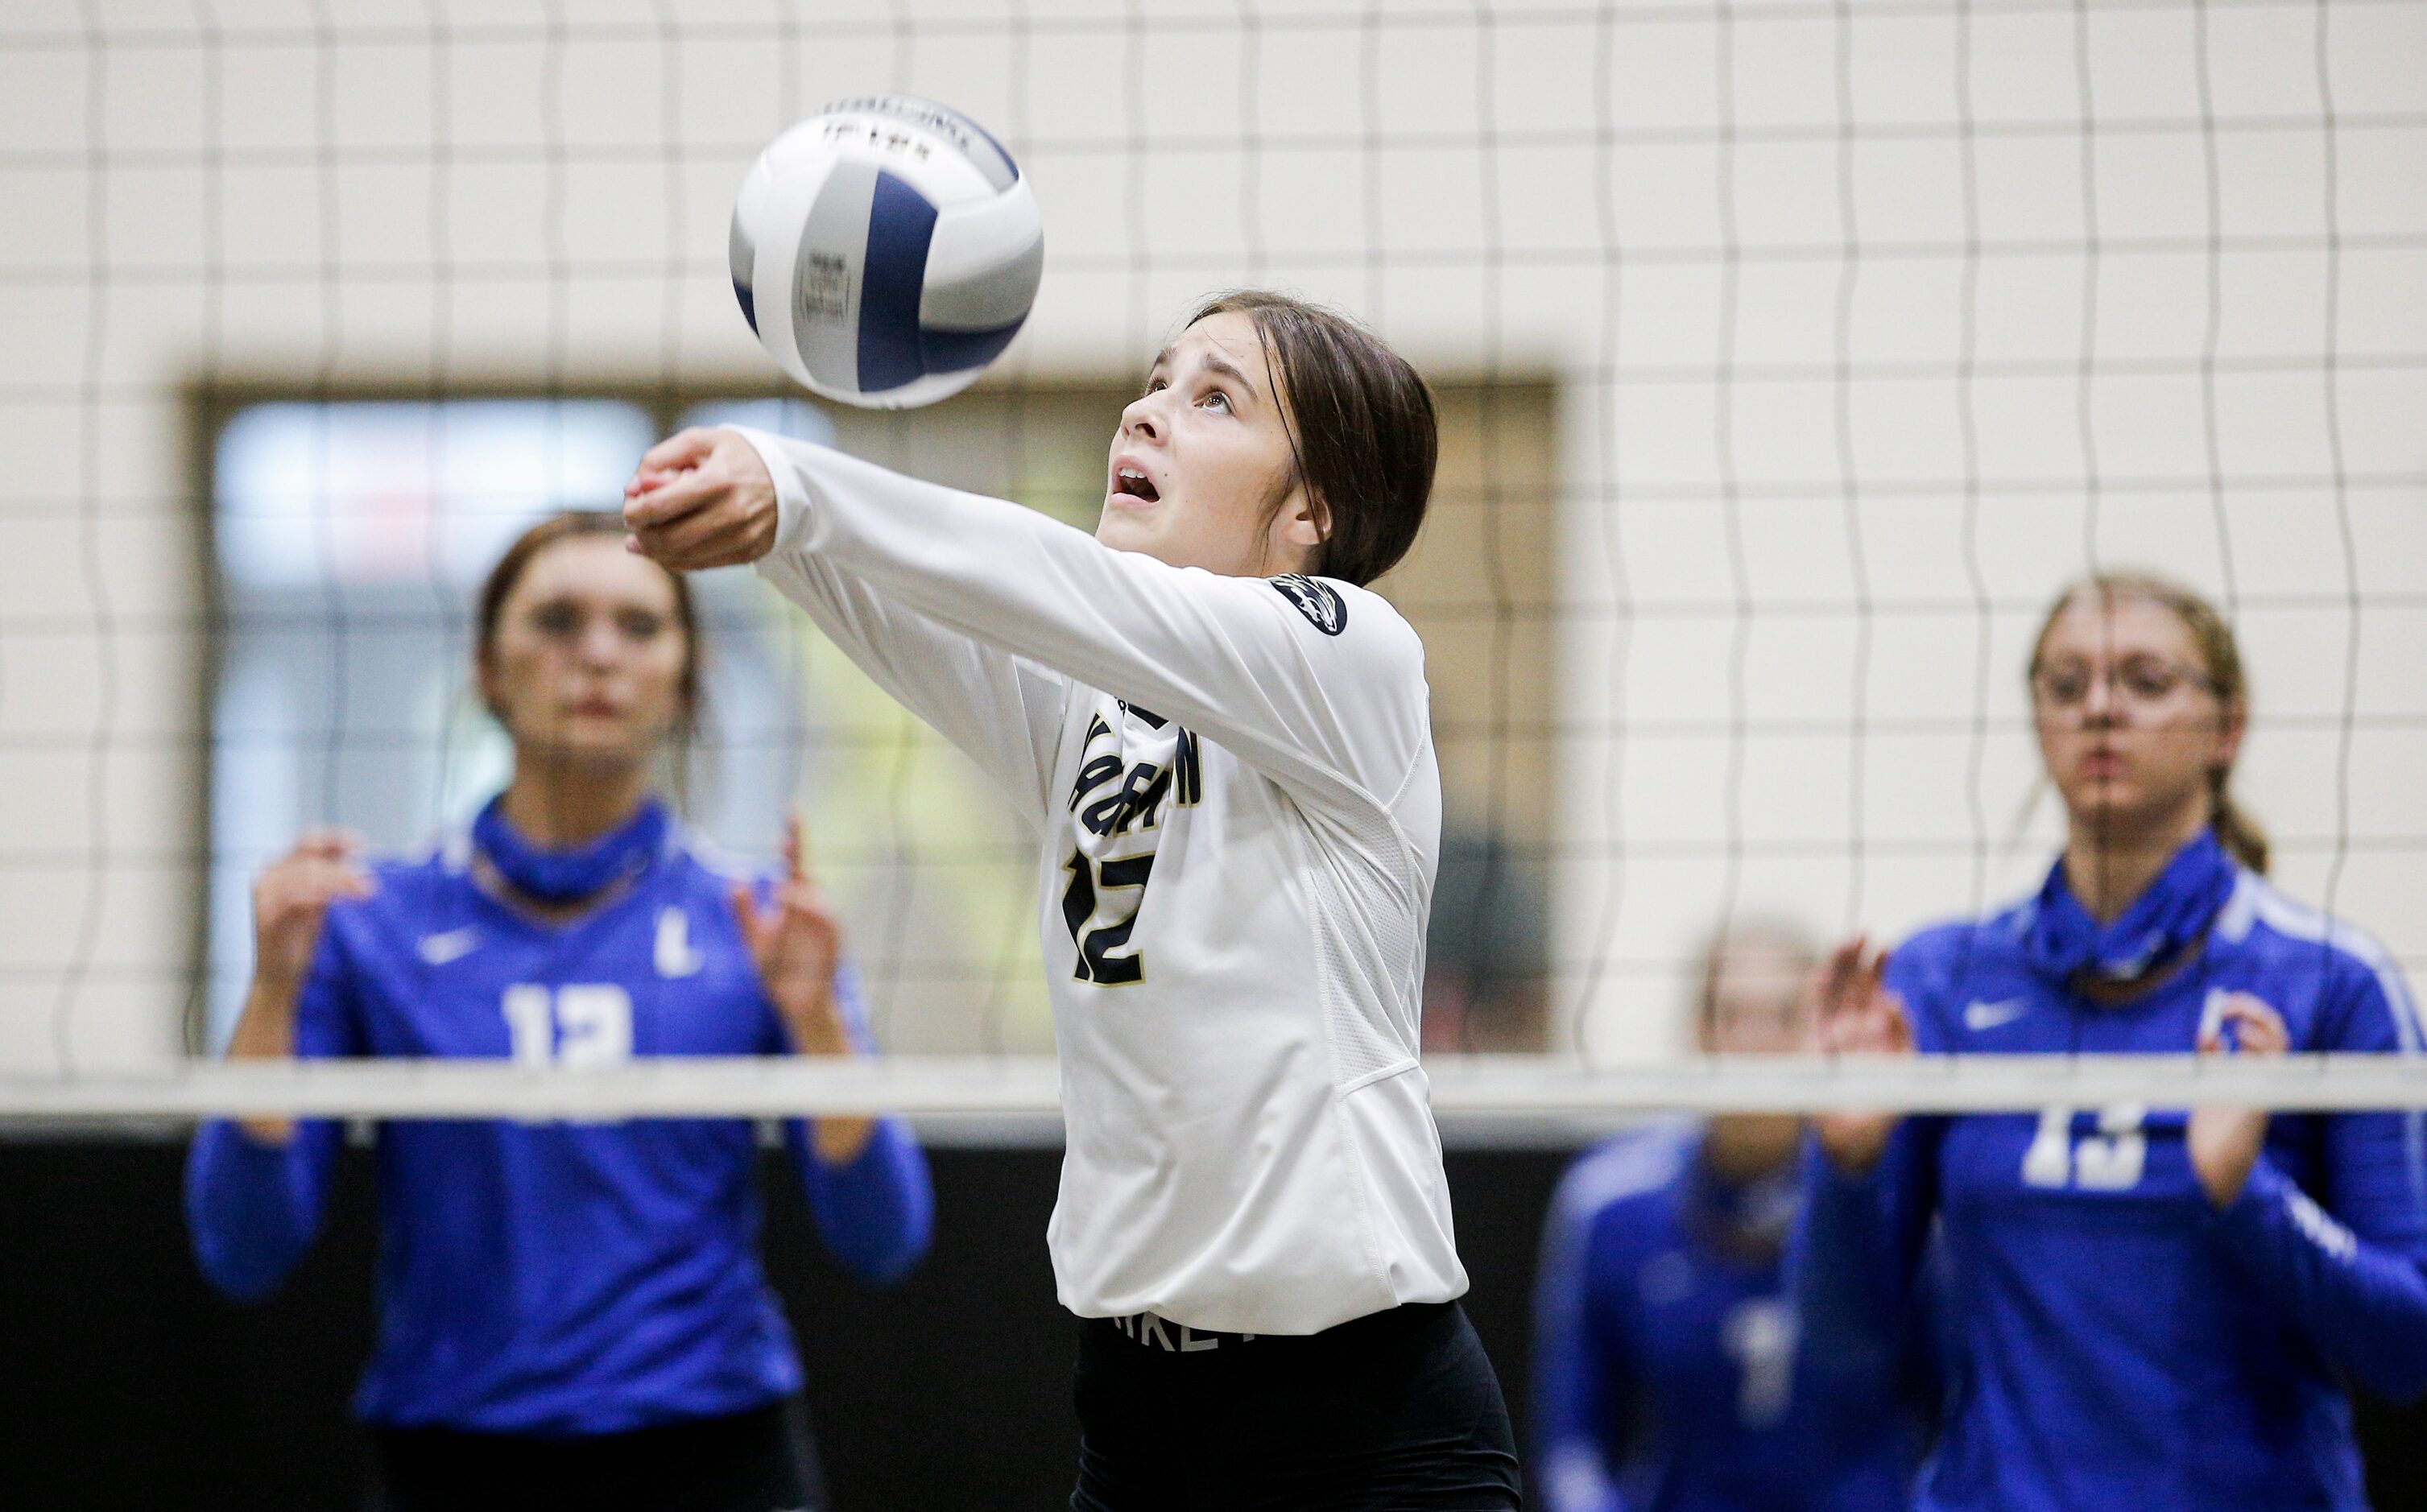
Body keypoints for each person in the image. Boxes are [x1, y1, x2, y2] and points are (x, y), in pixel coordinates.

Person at [623, 290, 1522, 1510]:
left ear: (1311, 509)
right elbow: (932, 627)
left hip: (1360, 1422)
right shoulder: (1097, 707)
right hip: (1139, 1418)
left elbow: (1055, 586)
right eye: (1156, 381)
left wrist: (797, 478)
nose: (1147, 412)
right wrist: (771, 532)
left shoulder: (1350, 652)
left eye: (1213, 399)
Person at [185, 510, 933, 1512]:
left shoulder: (754, 921)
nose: (596, 654)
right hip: (453, 1451)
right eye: (556, 621)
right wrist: (273, 992)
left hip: (712, 1450)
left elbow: (885, 1239)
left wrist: (816, 1023)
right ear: (487, 669)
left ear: (684, 678)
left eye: (638, 626)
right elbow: (241, 1249)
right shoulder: (370, 921)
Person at [1797, 571, 2427, 1512]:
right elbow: (1839, 1348)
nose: (2098, 707)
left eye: (2143, 679)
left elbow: (2408, 1352)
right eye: (2065, 684)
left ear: (2226, 727)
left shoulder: (2330, 981)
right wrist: (1846, 1169)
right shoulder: (1940, 978)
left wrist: (2244, 1193)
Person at [1532, 922, 1928, 1512]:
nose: (1755, 1041)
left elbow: (1955, 1413)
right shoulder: (1611, 1204)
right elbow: (1571, 1448)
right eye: (1731, 1014)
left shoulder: (1894, 1193)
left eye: (1784, 1016)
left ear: (1823, 1032)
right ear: (1696, 1032)